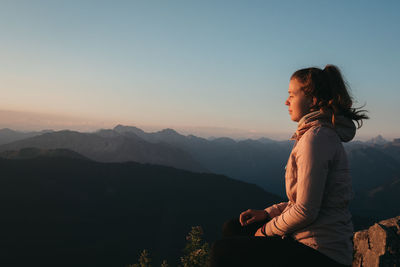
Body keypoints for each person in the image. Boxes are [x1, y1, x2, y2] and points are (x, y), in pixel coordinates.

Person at [209, 65, 368, 267]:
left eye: (292, 95)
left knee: (222, 252)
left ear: (313, 100)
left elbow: (305, 210)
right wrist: (268, 214)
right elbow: (305, 202)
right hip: (310, 240)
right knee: (234, 228)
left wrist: (265, 231)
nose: (286, 101)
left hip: (322, 252)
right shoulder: (316, 135)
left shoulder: (316, 139)